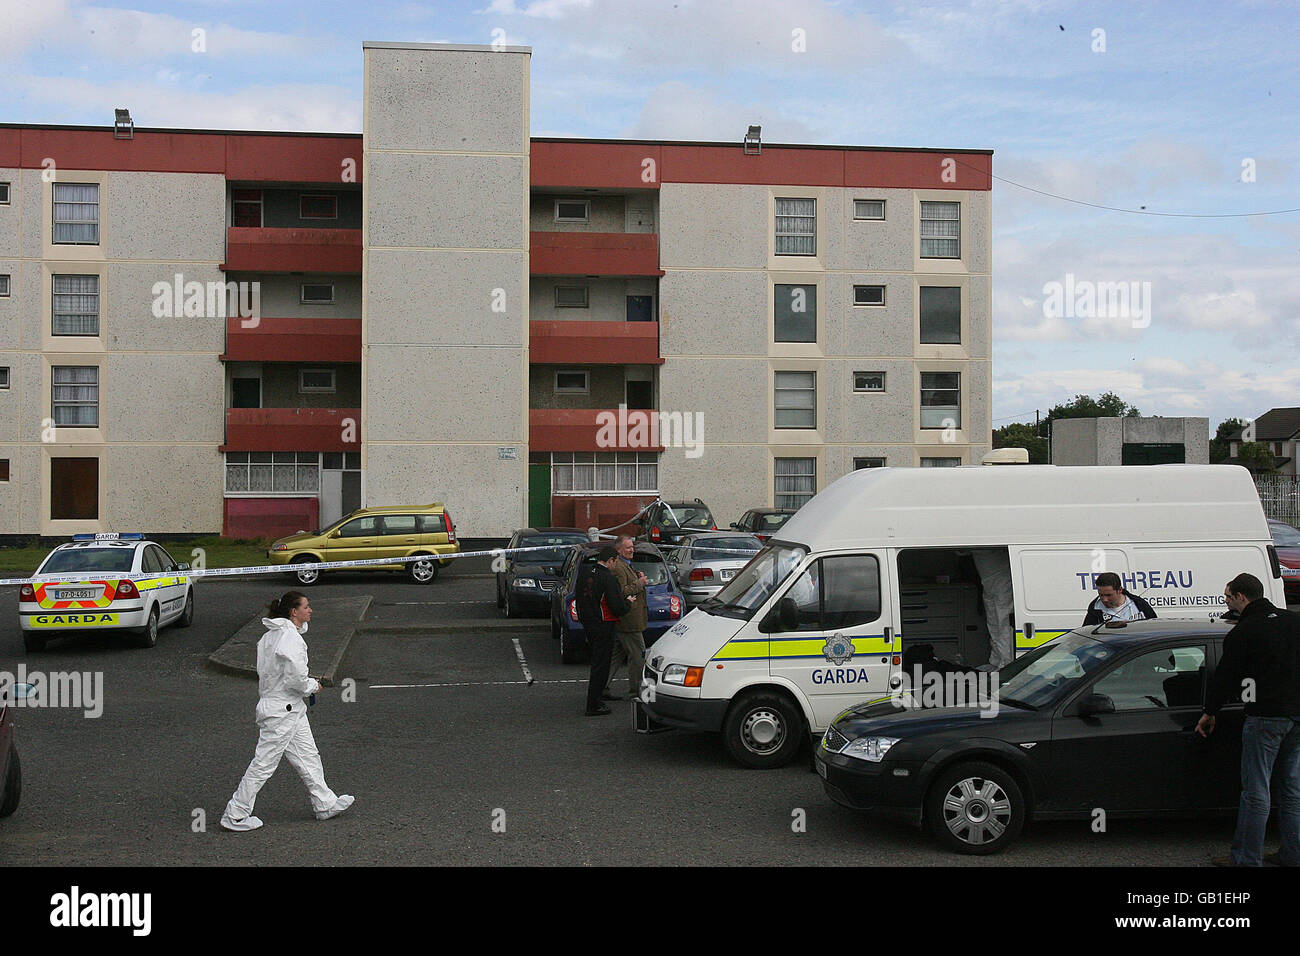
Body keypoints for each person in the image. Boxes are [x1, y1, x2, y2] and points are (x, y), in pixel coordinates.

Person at [221, 592, 354, 831]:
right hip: (283, 709)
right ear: (294, 612)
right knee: (264, 764)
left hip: (285, 707)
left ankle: (325, 803)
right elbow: (295, 679)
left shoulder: (269, 637)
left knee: (308, 755)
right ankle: (235, 814)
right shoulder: (290, 638)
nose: (310, 610)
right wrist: (313, 686)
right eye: (306, 606)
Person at [1195, 573, 1300, 867]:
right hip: (1297, 715)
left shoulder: (1244, 632)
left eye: (1228, 597)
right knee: (1292, 789)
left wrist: (1210, 711)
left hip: (1266, 716)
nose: (1226, 602)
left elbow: (1226, 678)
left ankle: (1245, 858)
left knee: (1256, 791)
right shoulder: (1294, 621)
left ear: (1241, 597)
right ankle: (1293, 854)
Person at [576, 547, 632, 717]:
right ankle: (593, 704)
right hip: (604, 625)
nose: (616, 565)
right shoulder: (608, 578)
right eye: (615, 561)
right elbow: (617, 607)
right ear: (611, 561)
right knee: (601, 665)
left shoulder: (585, 572)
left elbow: (578, 596)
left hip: (588, 622)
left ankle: (598, 698)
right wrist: (628, 602)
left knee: (597, 662)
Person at [605, 535, 649, 701]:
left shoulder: (626, 565)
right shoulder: (618, 568)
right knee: (638, 656)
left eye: (632, 547)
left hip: (628, 620)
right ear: (618, 550)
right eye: (628, 547)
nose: (632, 550)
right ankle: (636, 692)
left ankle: (602, 687)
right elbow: (621, 592)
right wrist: (640, 583)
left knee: (615, 656)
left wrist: (638, 580)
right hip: (628, 621)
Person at [970, 549, 1014, 672]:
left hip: (1001, 581)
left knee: (1002, 622)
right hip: (989, 582)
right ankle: (996, 660)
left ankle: (1006, 662)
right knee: (994, 621)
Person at [1082, 572, 1157, 625]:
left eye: (1109, 595)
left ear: (1120, 590)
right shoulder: (1095, 610)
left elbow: (1154, 627)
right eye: (1101, 595)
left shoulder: (1139, 604)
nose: (1104, 599)